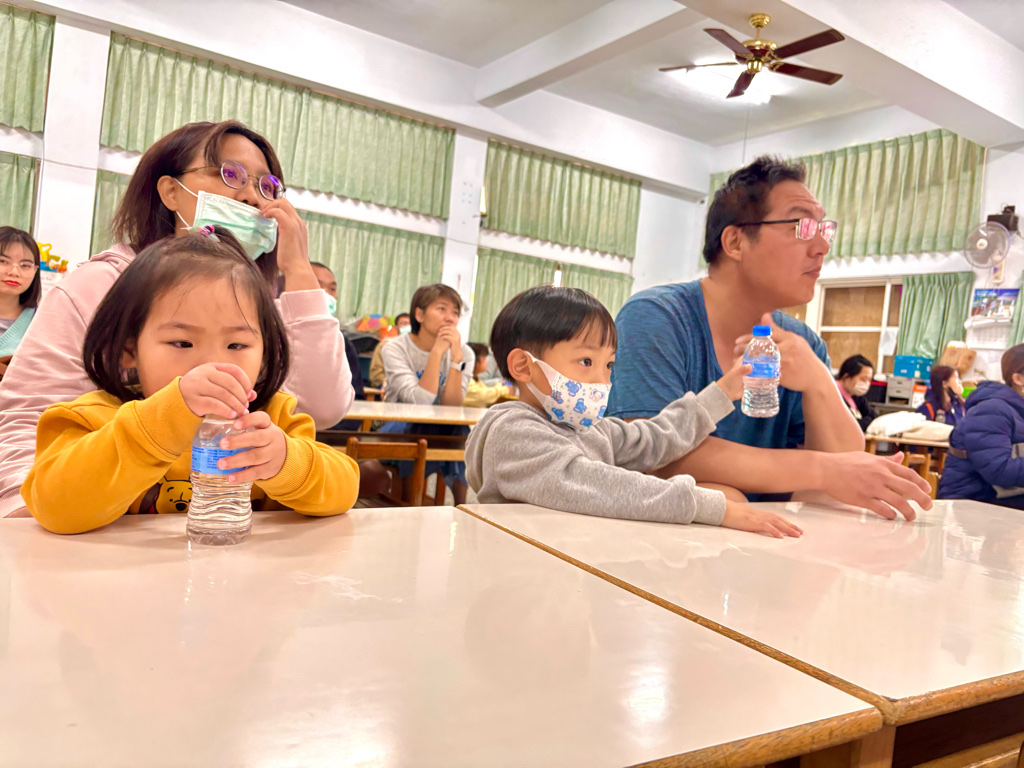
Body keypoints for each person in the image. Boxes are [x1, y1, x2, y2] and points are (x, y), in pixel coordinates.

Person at [0, 120, 353, 518]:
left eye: (267, 185)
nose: (253, 197)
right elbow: (29, 425)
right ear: (170, 191)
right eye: (230, 174)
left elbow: (323, 412)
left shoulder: (259, 326)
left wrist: (299, 270)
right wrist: (30, 525)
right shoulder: (103, 290)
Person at [468, 286, 934, 528]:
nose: (601, 381)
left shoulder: (589, 431)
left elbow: (656, 438)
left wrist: (724, 389)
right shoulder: (514, 430)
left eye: (609, 365)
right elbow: (594, 485)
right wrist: (715, 507)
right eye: (585, 362)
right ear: (523, 366)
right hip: (520, 584)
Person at [22, 228, 359, 534]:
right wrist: (162, 420)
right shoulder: (94, 417)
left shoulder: (272, 418)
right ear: (129, 350)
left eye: (236, 345)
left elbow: (344, 489)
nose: (213, 364)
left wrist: (286, 462)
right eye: (182, 343)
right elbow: (53, 506)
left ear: (265, 353)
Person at [608, 156, 863, 498]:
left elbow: (849, 471)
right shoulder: (657, 317)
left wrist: (818, 382)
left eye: (823, 229)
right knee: (717, 495)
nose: (822, 247)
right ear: (735, 243)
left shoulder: (802, 343)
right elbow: (646, 451)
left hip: (772, 528)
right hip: (668, 529)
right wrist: (820, 469)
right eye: (801, 227)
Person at [381, 283, 474, 504]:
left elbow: (451, 407)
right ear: (419, 315)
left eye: (455, 312)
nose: (450, 318)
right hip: (398, 422)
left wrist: (456, 360)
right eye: (442, 309)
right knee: (420, 429)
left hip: (442, 425)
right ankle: (409, 501)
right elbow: (420, 401)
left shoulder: (465, 353)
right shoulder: (394, 348)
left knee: (462, 430)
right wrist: (437, 353)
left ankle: (461, 506)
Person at [939, 345, 1024, 508]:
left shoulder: (1016, 410)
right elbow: (999, 470)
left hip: (1004, 498)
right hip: (974, 503)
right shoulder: (992, 411)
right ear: (1018, 379)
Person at [0, 227, 41, 380]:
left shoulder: (42, 322)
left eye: (25, 265)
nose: (14, 272)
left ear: (35, 271)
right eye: (3, 261)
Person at [463, 342, 514, 408]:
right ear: (477, 362)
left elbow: (485, 390)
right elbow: (483, 396)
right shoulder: (466, 380)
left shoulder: (476, 380)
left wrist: (500, 385)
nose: (486, 361)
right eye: (484, 358)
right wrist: (505, 390)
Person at [836, 354, 878, 431]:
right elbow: (848, 425)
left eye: (869, 380)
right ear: (847, 376)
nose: (867, 384)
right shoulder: (833, 395)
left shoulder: (856, 397)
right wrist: (865, 421)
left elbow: (874, 417)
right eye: (863, 379)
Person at [369, 312, 411, 388]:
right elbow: (376, 373)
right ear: (396, 327)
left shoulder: (418, 347)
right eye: (403, 323)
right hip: (387, 386)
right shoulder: (385, 345)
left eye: (410, 324)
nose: (407, 326)